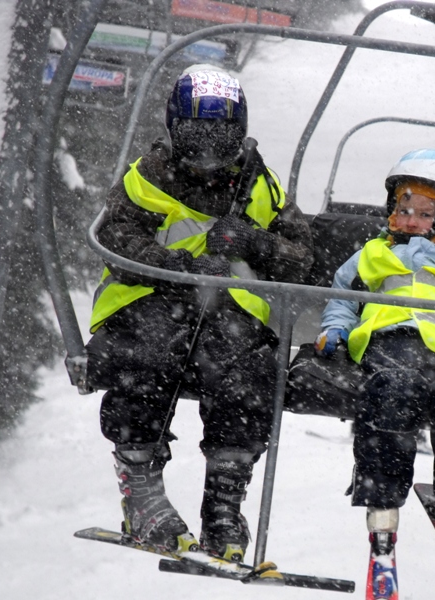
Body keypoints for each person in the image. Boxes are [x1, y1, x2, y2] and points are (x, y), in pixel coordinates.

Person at [84, 64, 314, 561]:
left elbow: (301, 255)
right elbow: (117, 238)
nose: (209, 146)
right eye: (195, 132)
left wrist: (256, 241)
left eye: (221, 132)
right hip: (147, 300)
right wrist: (180, 267)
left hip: (227, 313)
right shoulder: (150, 176)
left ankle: (224, 504)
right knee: (147, 353)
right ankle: (142, 490)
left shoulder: (258, 185)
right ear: (174, 127)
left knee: (250, 370)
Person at [314, 149, 435, 566]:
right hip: (392, 338)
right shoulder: (372, 254)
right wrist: (335, 329)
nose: (409, 220)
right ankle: (382, 500)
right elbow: (342, 297)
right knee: (393, 389)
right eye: (402, 209)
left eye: (423, 213)